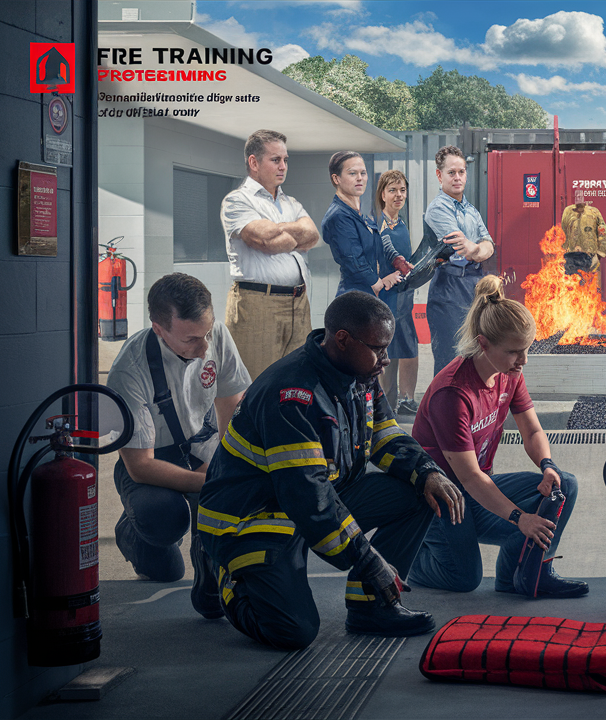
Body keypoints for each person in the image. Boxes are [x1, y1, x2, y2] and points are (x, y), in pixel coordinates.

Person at [194, 291, 464, 649]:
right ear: (342, 339)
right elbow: (308, 495)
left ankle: (372, 606)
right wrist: (369, 560)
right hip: (251, 519)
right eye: (379, 348)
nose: (386, 358)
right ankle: (222, 571)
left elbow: (384, 436)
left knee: (419, 491)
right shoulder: (291, 394)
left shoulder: (361, 372)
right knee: (293, 631)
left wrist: (428, 472)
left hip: (309, 501)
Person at [407, 275, 588, 599]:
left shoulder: (509, 374)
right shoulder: (452, 393)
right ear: (484, 343)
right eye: (515, 352)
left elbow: (531, 430)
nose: (524, 360)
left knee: (564, 484)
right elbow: (472, 479)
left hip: (476, 490)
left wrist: (547, 465)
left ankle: (524, 575)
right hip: (441, 497)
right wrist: (521, 519)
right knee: (464, 578)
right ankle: (407, 556)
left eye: (527, 349)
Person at [107, 274, 249, 615]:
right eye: (190, 340)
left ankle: (212, 568)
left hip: (204, 447)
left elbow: (233, 412)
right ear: (159, 329)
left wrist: (230, 470)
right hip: (152, 462)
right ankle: (132, 532)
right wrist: (212, 482)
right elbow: (140, 466)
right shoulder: (130, 371)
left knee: (232, 500)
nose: (203, 348)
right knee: (164, 530)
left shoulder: (214, 334)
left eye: (206, 333)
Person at [221, 129, 320, 380]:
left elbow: (312, 236)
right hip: (258, 306)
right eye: (276, 160)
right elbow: (264, 239)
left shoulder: (290, 203)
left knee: (297, 384)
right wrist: (292, 233)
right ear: (254, 162)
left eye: (286, 160)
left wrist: (279, 230)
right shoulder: (237, 200)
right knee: (255, 385)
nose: (283, 166)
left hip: (298, 304)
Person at [424, 145, 495, 375]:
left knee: (477, 357)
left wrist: (476, 248)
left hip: (474, 286)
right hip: (449, 292)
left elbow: (489, 245)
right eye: (451, 172)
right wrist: (476, 249)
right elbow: (463, 248)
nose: (457, 178)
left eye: (461, 172)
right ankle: (445, 411)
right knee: (451, 363)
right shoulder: (437, 209)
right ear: (439, 175)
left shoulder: (471, 210)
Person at [322, 151, 407, 299]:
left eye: (363, 173)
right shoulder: (339, 216)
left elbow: (375, 250)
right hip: (355, 298)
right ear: (336, 178)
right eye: (352, 173)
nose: (360, 178)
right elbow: (354, 260)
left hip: (368, 296)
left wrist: (396, 260)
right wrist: (379, 283)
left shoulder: (361, 216)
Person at [373, 169, 421, 416]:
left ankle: (406, 400)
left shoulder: (401, 224)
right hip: (387, 301)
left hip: (405, 300)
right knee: (387, 355)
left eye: (402, 190)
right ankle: (386, 406)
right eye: (392, 190)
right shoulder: (377, 225)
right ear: (382, 194)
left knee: (409, 350)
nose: (398, 195)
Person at [560, 188, 606, 279]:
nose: (578, 198)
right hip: (571, 260)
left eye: (581, 196)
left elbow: (603, 234)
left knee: (591, 289)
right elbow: (562, 234)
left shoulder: (594, 212)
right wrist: (562, 255)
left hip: (590, 260)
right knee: (571, 290)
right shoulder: (568, 212)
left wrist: (598, 255)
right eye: (576, 196)